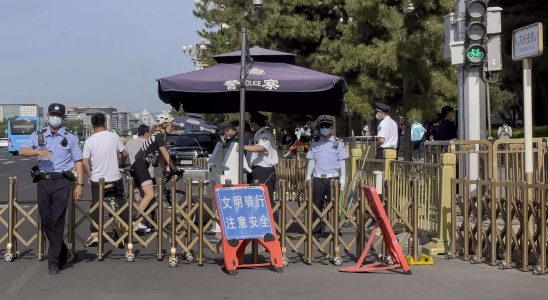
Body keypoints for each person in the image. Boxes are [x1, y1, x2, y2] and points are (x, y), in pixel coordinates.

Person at [19, 103, 84, 275]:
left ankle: (54, 261)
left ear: (63, 118)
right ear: (48, 116)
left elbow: (78, 161)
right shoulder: (39, 135)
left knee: (57, 219)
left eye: (58, 115)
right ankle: (62, 251)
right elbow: (22, 150)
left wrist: (80, 184)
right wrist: (37, 152)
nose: (55, 117)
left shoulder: (71, 137)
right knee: (46, 219)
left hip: (62, 182)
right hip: (43, 181)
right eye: (52, 114)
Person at [82, 113, 128, 246]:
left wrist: (90, 176)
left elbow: (85, 162)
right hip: (115, 177)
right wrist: (122, 164)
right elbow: (124, 153)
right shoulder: (114, 136)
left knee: (97, 205)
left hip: (98, 180)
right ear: (105, 123)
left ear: (92, 125)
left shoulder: (90, 140)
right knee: (121, 201)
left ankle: (95, 234)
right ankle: (127, 227)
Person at [130, 113, 176, 229]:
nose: (172, 127)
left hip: (139, 166)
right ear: (165, 124)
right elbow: (165, 154)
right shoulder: (158, 136)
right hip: (140, 166)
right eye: (171, 124)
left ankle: (138, 221)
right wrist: (175, 169)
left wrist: (166, 170)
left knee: (149, 198)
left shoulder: (156, 136)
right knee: (150, 194)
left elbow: (161, 157)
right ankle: (134, 221)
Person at [306, 115, 348, 235]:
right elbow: (312, 160)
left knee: (334, 205)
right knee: (316, 204)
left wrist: (343, 178)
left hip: (333, 178)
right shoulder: (315, 143)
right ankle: (315, 228)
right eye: (322, 126)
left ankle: (335, 228)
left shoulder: (338, 142)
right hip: (318, 178)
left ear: (331, 127)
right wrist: (308, 176)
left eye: (327, 126)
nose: (324, 128)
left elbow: (342, 161)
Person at [243, 112, 279, 208]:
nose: (250, 124)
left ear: (255, 123)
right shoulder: (257, 135)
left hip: (264, 171)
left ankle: (274, 222)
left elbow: (261, 148)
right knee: (256, 198)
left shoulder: (264, 134)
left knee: (266, 197)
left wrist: (243, 147)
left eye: (251, 122)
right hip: (257, 170)